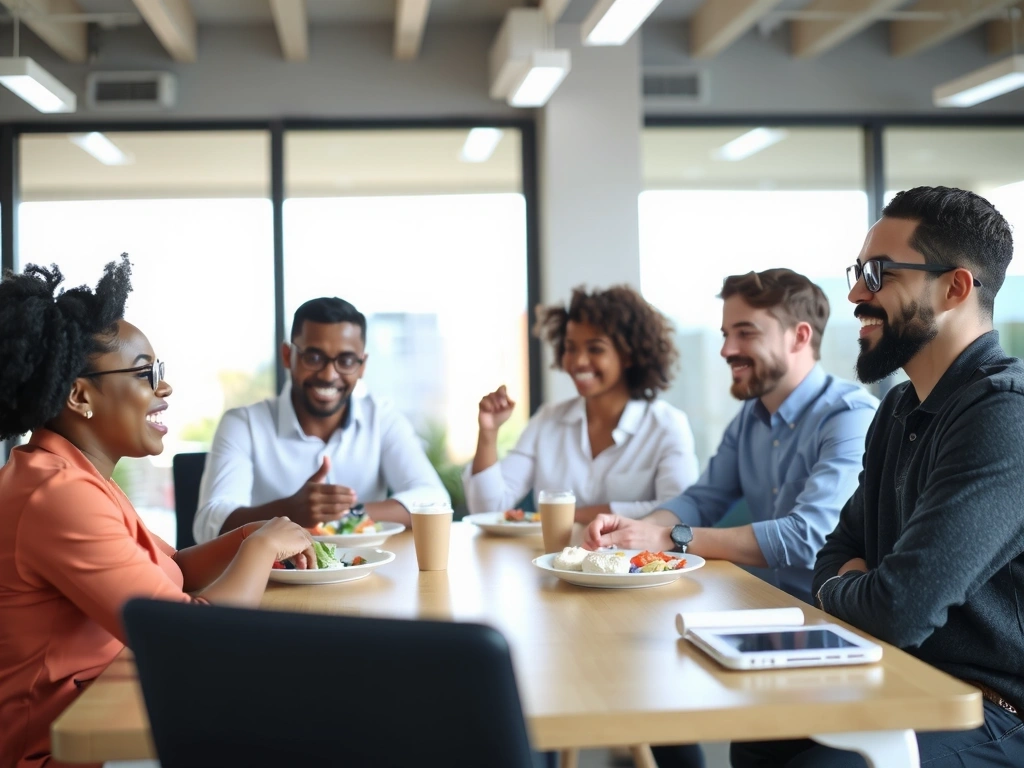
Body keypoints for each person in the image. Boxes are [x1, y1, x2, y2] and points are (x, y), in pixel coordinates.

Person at [733, 188, 1024, 767]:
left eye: (878, 273)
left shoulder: (1003, 415)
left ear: (954, 288)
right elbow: (835, 550)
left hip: (990, 710)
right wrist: (851, 582)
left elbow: (898, 609)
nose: (855, 292)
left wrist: (845, 588)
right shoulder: (896, 410)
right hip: (896, 675)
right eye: (859, 271)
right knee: (759, 738)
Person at [0, 256, 317, 768]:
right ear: (80, 395)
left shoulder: (74, 476)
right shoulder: (56, 497)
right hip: (59, 751)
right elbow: (189, 641)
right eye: (147, 373)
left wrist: (247, 535)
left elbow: (172, 574)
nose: (163, 388)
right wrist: (260, 548)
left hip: (108, 708)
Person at [583, 269, 878, 603]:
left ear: (799, 337)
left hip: (825, 615)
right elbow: (700, 500)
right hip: (759, 604)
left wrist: (668, 537)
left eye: (745, 333)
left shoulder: (849, 417)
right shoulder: (750, 418)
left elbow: (808, 537)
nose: (726, 350)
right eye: (725, 334)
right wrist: (637, 532)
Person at [193, 296, 448, 543]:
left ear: (362, 365)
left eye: (346, 360)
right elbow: (208, 525)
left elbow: (435, 500)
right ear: (287, 356)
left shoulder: (381, 419)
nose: (328, 374)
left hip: (366, 577)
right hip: (276, 581)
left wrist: (345, 513)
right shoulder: (244, 424)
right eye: (314, 358)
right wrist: (288, 511)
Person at [464, 285, 699, 524]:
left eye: (595, 349)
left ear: (628, 354)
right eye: (570, 348)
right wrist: (488, 433)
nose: (578, 361)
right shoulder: (548, 420)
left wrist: (577, 516)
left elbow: (681, 511)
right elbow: (488, 509)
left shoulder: (666, 425)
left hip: (633, 560)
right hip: (548, 560)